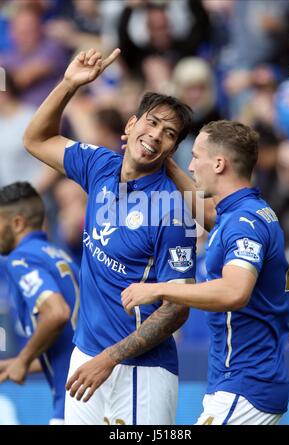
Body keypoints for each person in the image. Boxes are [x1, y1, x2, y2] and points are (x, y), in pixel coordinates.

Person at [23, 48, 196, 425]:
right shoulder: (100, 166)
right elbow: (35, 139)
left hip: (141, 370)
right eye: (150, 124)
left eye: (168, 135)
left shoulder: (175, 209)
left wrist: (111, 358)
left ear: (172, 151)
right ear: (131, 124)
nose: (154, 137)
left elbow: (178, 306)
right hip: (85, 356)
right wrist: (69, 84)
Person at [122, 120, 289, 425]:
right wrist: (166, 163)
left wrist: (159, 289)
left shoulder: (244, 222)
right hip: (245, 382)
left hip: (246, 386)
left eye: (196, 156)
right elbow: (208, 214)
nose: (190, 165)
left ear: (218, 163)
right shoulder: (243, 212)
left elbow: (234, 291)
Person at [0, 182, 79, 424]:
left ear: (17, 223)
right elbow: (70, 340)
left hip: (73, 401)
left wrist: (22, 361)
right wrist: (17, 362)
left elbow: (57, 314)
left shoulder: (21, 259)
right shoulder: (59, 256)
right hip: (90, 393)